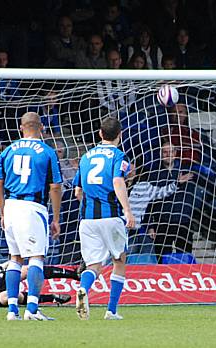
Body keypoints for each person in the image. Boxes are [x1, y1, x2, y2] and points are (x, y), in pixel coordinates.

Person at [0, 112, 63, 321]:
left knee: (14, 258)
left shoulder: (7, 151)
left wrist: (2, 212)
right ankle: (32, 309)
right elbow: (56, 186)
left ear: (21, 127)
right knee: (35, 257)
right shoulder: (47, 151)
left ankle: (12, 310)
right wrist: (56, 218)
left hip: (11, 206)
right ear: (41, 127)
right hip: (32, 207)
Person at [73, 117, 135, 321]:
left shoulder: (86, 156)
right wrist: (127, 210)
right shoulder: (119, 155)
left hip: (87, 220)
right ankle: (112, 310)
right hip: (111, 216)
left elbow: (77, 191)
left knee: (93, 265)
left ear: (100, 134)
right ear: (120, 135)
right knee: (119, 260)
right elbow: (118, 180)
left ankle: (83, 289)